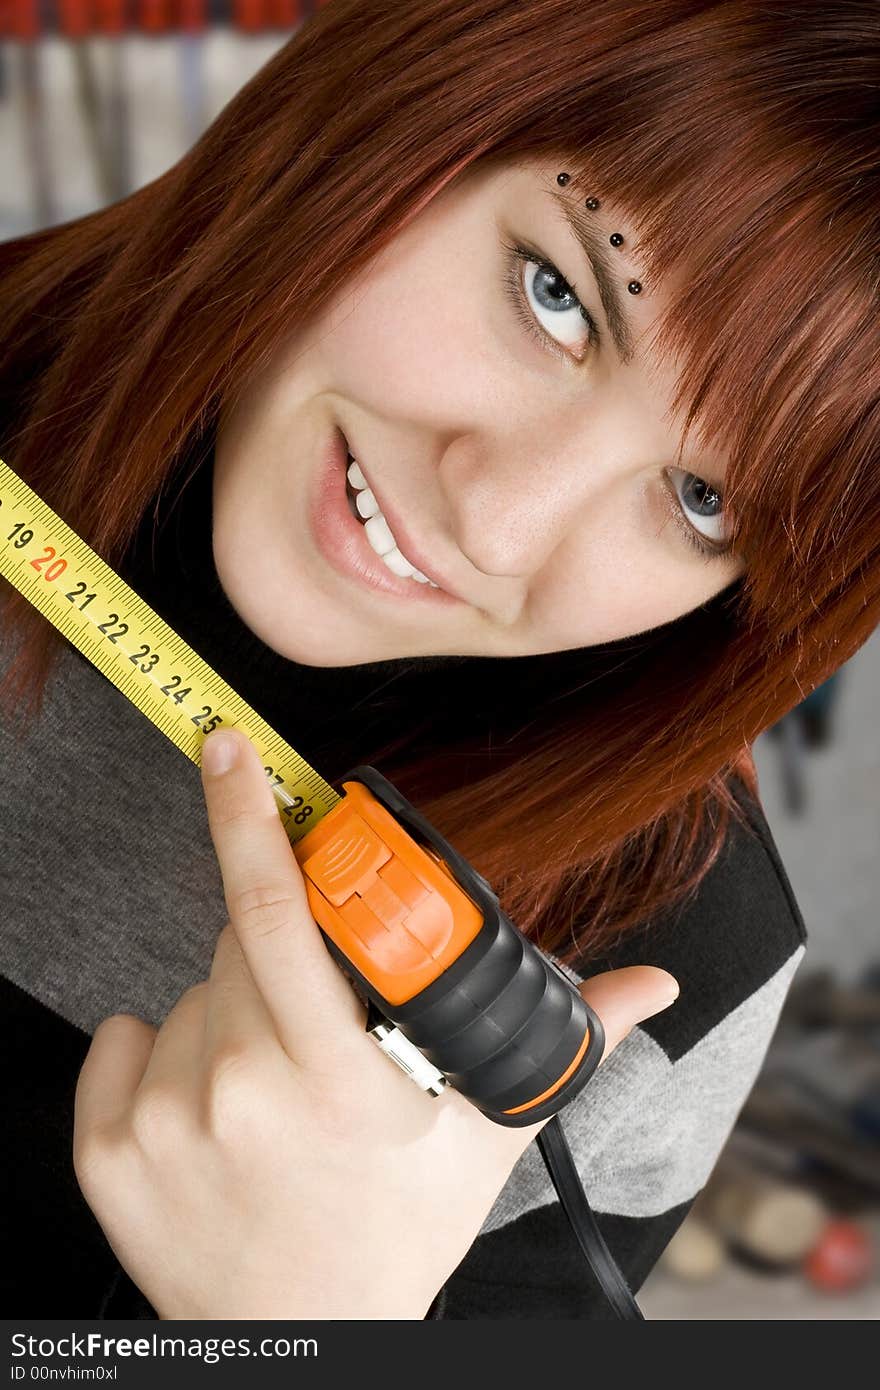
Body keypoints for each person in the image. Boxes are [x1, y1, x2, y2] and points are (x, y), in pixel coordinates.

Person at [0, 0, 876, 1319]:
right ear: (405, 106)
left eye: (706, 502)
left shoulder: (686, 966)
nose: (497, 519)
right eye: (556, 295)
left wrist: (301, 1329)